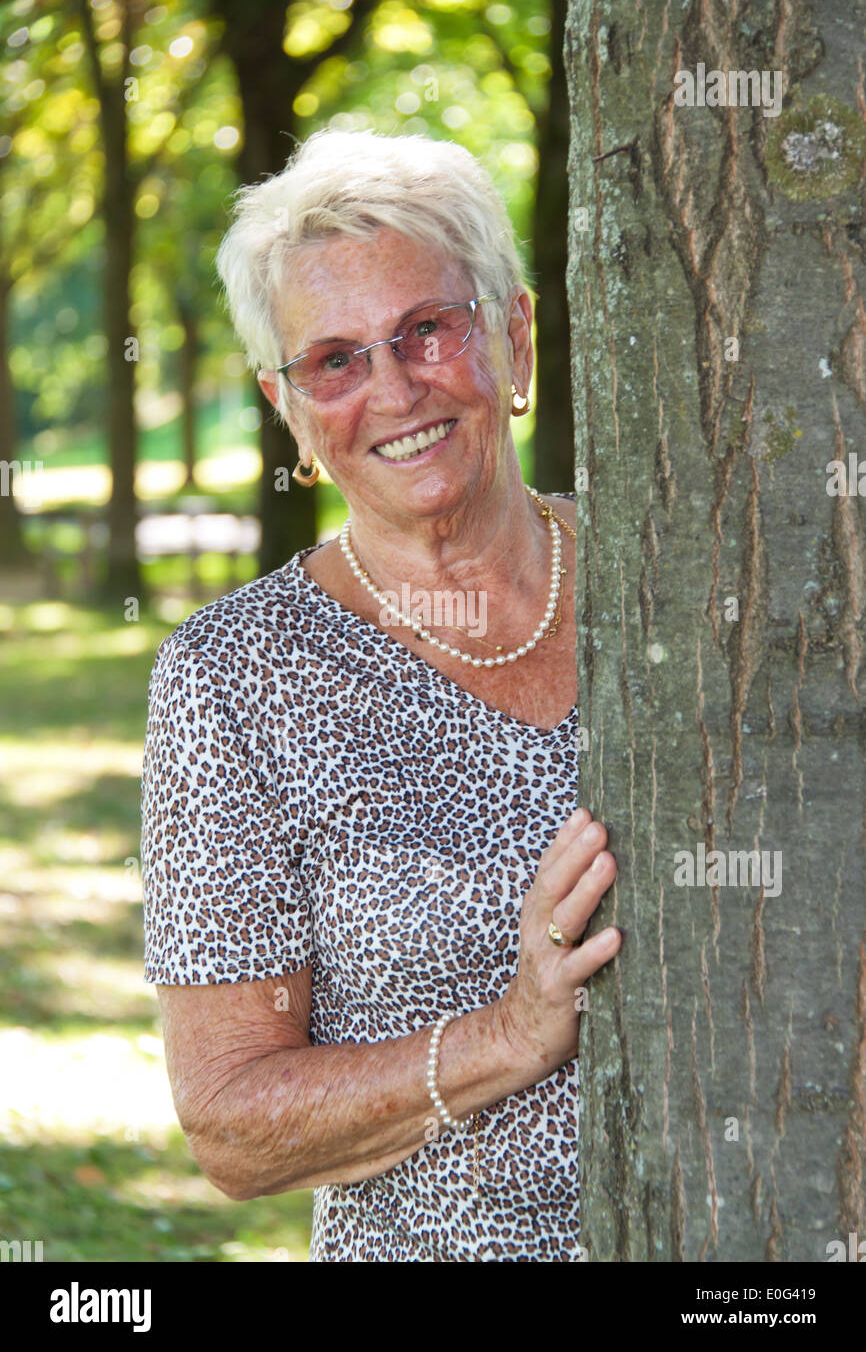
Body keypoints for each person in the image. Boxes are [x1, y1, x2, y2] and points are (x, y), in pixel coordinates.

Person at [141, 128, 621, 1262]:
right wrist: (509, 1036)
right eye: (335, 360)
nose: (394, 388)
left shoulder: (674, 594)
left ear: (514, 338)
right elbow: (231, 1125)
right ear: (290, 410)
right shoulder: (235, 679)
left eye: (427, 330)